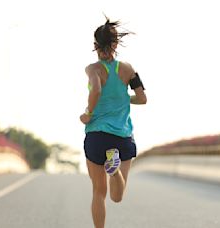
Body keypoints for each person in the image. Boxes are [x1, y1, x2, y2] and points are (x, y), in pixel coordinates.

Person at [80, 17, 147, 228]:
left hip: (97, 135)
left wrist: (89, 113)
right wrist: (125, 98)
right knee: (117, 196)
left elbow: (97, 89)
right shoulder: (128, 69)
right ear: (116, 44)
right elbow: (143, 99)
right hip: (123, 137)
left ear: (94, 46)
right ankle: (114, 169)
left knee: (99, 192)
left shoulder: (93, 69)